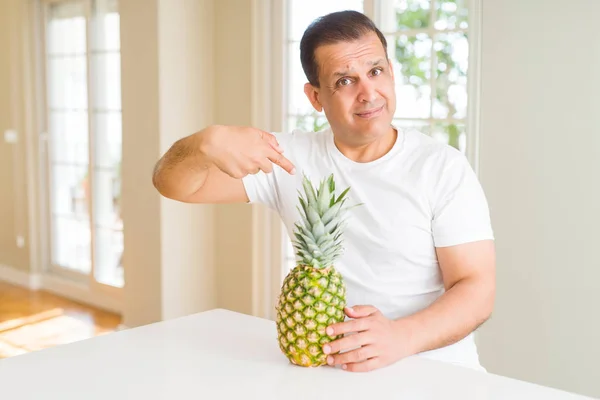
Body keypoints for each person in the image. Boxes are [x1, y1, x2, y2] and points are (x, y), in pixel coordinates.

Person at [152, 10, 496, 373]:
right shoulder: (287, 158)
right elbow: (173, 183)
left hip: (437, 373)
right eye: (345, 81)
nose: (368, 93)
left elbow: (477, 289)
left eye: (376, 71)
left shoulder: (441, 167)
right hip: (328, 376)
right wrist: (206, 142)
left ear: (391, 73)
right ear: (315, 97)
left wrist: (400, 337)